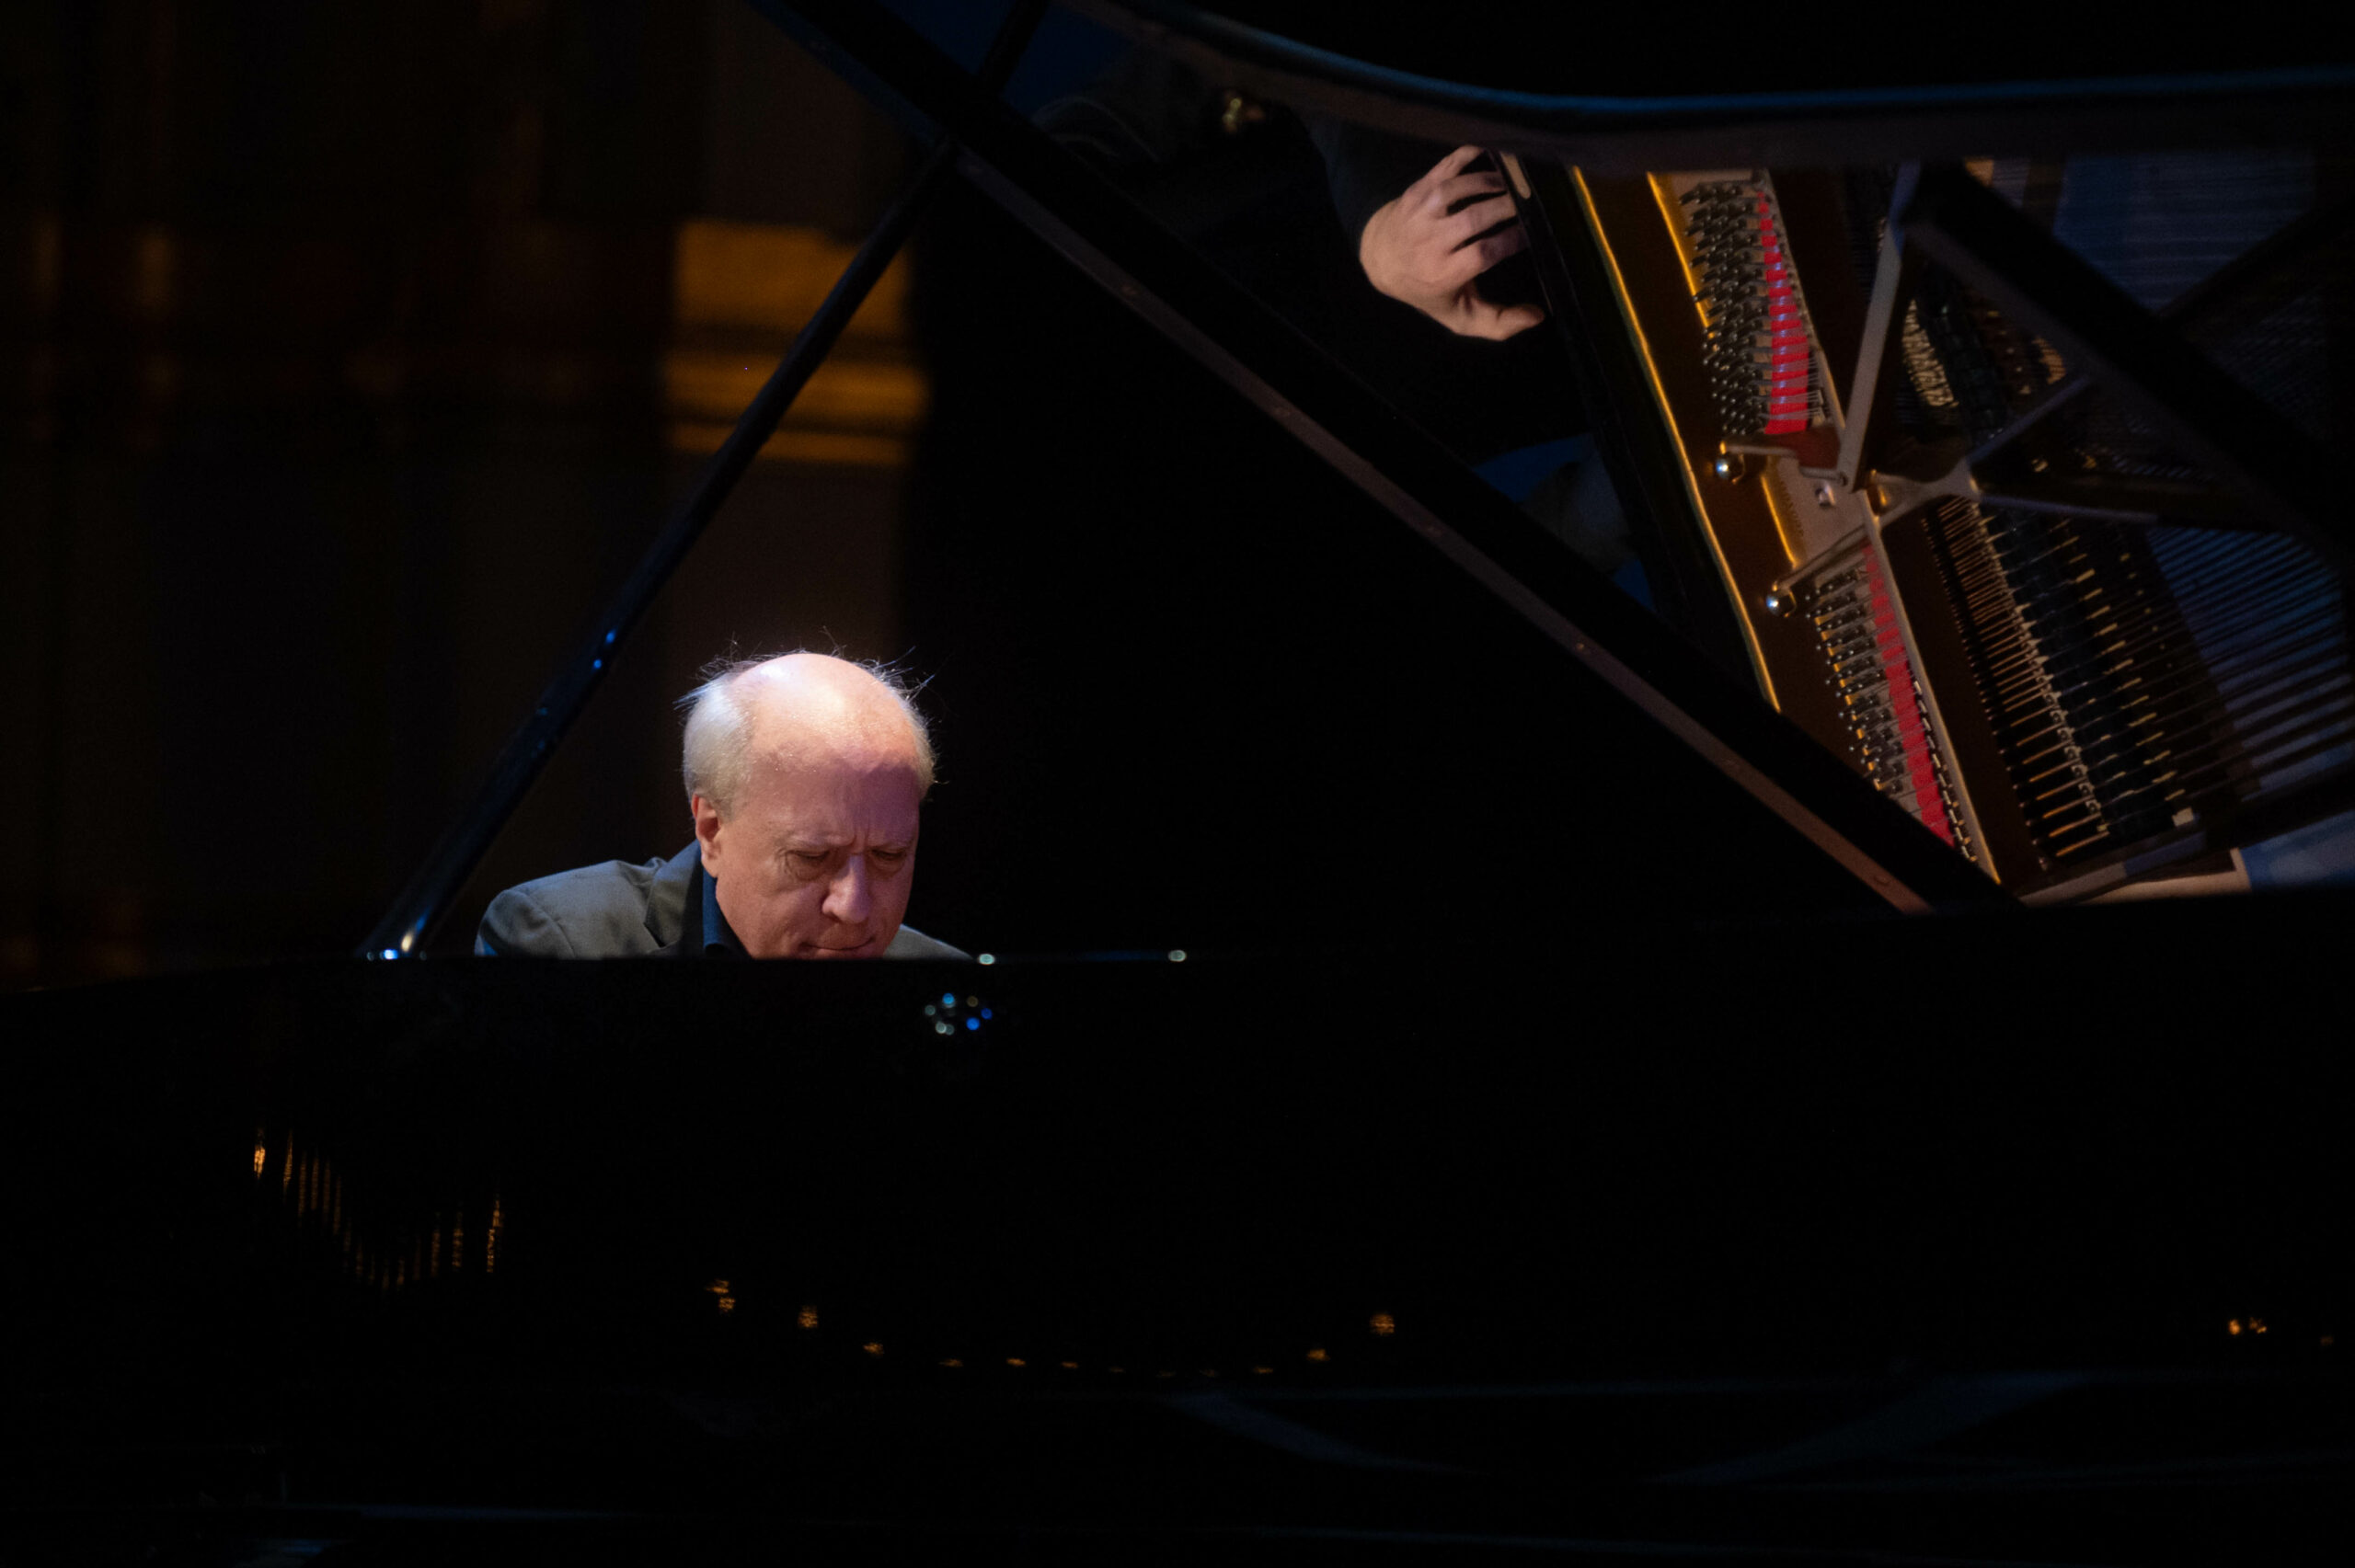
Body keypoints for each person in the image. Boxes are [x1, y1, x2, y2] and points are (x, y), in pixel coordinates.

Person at [475, 653, 968, 960]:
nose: (855, 909)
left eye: (889, 855)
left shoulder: (943, 980)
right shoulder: (563, 945)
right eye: (812, 857)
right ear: (711, 831)